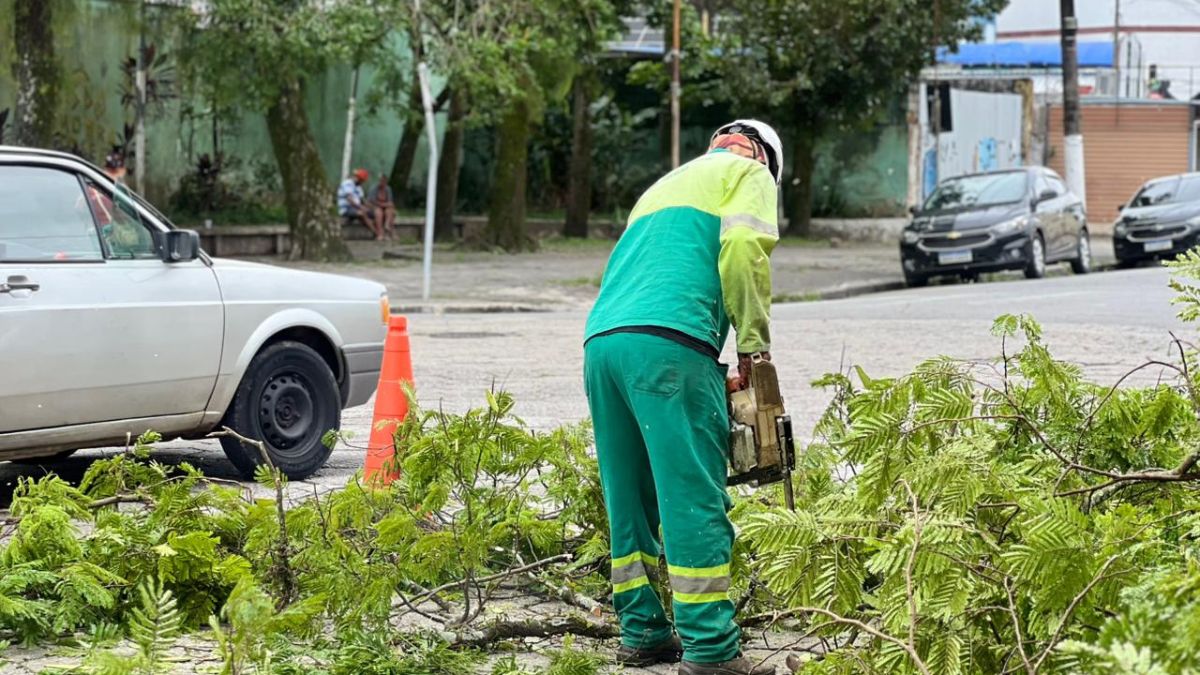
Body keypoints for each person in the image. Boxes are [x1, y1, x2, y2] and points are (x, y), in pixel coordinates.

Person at [582, 120, 783, 675]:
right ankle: (711, 651)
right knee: (692, 494)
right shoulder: (751, 173)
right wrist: (753, 348)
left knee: (631, 496)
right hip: (669, 344)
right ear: (764, 156)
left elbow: (657, 271)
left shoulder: (662, 185)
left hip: (604, 344)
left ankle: (643, 632)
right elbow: (743, 247)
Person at [338, 168, 383, 240]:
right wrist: (361, 207)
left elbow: (363, 200)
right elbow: (350, 200)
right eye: (362, 180)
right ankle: (376, 233)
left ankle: (381, 233)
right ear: (358, 178)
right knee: (362, 213)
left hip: (357, 207)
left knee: (378, 211)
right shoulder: (347, 184)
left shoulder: (359, 187)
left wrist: (372, 207)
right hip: (347, 209)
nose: (362, 182)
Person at [368, 174, 397, 240]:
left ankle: (387, 226)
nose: (382, 183)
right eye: (381, 181)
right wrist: (384, 204)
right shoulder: (374, 189)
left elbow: (390, 201)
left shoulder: (388, 189)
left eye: (384, 181)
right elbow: (372, 202)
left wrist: (386, 205)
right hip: (374, 207)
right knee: (379, 212)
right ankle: (380, 233)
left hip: (384, 207)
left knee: (390, 211)